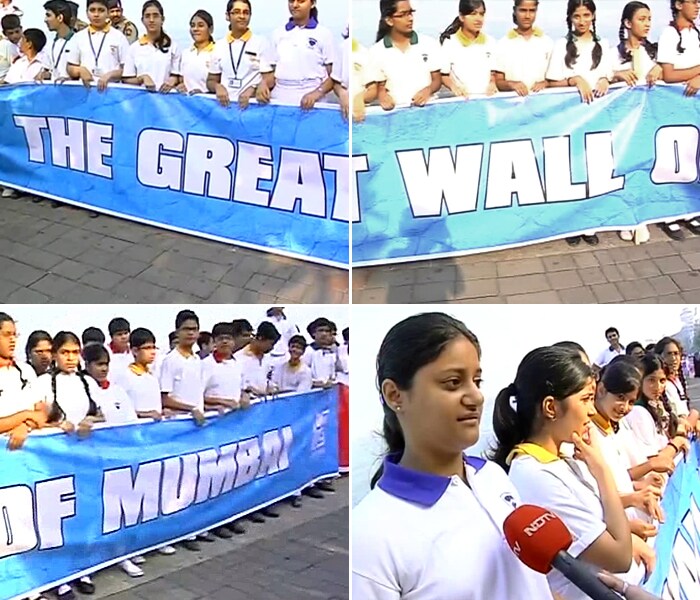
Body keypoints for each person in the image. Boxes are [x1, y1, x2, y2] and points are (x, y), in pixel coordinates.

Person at [353, 313, 554, 599]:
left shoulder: (493, 477)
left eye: (477, 380)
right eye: (452, 382)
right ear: (395, 395)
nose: (475, 396)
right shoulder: (371, 534)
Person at [491, 345, 636, 600]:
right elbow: (620, 556)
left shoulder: (563, 458)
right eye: (585, 399)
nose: (592, 410)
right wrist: (601, 470)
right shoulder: (536, 477)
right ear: (550, 407)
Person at [34, 331, 102, 599]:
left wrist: (90, 421)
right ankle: (59, 576)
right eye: (65, 352)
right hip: (53, 461)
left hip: (85, 458)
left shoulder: (87, 382)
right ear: (55, 354)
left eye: (75, 353)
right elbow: (33, 419)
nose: (71, 358)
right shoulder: (42, 384)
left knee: (83, 513)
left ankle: (81, 569)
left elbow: (102, 413)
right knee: (56, 518)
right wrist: (56, 424)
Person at [546, 0, 613, 247]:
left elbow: (608, 74)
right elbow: (552, 82)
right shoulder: (561, 45)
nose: (582, 20)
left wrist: (606, 79)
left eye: (586, 15)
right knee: (570, 171)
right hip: (570, 120)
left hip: (598, 118)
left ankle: (590, 222)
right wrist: (574, 79)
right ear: (570, 18)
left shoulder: (603, 45)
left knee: (594, 170)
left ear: (593, 16)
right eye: (577, 16)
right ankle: (571, 223)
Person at [613, 1, 661, 245]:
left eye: (649, 19)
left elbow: (664, 73)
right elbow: (605, 78)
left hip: (647, 121)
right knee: (624, 168)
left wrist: (659, 70)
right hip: (622, 123)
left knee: (644, 166)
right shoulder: (614, 53)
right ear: (628, 23)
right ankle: (626, 218)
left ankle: (642, 219)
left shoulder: (653, 52)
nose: (647, 24)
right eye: (642, 19)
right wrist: (616, 75)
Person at [257, 0, 336, 109]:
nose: (295, 5)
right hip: (280, 99)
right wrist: (263, 84)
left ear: (312, 3)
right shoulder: (278, 34)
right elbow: (272, 73)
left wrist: (317, 93)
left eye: (301, 1)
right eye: (291, 1)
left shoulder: (324, 34)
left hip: (312, 102)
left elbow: (334, 75)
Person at [368, 0, 442, 110]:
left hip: (428, 113)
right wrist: (383, 96)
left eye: (410, 13)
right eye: (403, 15)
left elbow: (437, 80)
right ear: (389, 20)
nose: (410, 19)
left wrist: (428, 90)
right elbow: (380, 87)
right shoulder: (376, 52)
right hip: (397, 117)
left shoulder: (428, 43)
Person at [0, 313, 46, 451]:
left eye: (15, 335)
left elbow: (42, 414)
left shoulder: (26, 370)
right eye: (7, 335)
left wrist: (25, 426)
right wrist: (25, 415)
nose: (13, 340)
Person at [207, 0, 265, 109]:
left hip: (252, 107)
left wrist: (254, 89)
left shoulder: (261, 43)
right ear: (227, 16)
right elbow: (211, 80)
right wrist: (217, 87)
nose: (242, 16)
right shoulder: (219, 45)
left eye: (246, 12)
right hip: (225, 109)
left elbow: (270, 80)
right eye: (237, 12)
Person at [66, 0, 130, 92]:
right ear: (86, 13)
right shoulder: (78, 37)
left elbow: (128, 69)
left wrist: (110, 75)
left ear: (108, 13)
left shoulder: (119, 37)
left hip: (112, 92)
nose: (96, 14)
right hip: (85, 91)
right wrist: (80, 70)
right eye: (92, 10)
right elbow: (70, 67)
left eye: (101, 10)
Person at [440, 0, 498, 98]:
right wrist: (454, 87)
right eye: (473, 14)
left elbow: (493, 73)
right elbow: (443, 75)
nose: (478, 19)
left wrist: (492, 83)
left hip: (486, 102)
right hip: (462, 102)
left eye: (481, 14)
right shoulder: (450, 43)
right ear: (462, 17)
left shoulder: (490, 42)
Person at [494, 0, 552, 96]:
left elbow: (553, 79)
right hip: (514, 106)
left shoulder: (547, 42)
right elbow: (498, 81)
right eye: (523, 10)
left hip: (542, 105)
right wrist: (511, 84)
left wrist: (545, 83)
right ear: (514, 11)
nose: (527, 16)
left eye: (532, 11)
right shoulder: (503, 44)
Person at [122, 0, 180, 93]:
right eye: (147, 16)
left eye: (155, 15)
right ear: (142, 20)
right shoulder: (134, 48)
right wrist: (142, 78)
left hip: (167, 101)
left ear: (162, 19)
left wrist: (172, 81)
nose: (151, 20)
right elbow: (126, 79)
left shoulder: (173, 47)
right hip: (142, 101)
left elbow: (177, 75)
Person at [236, 321, 280, 397]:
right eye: (271, 344)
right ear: (260, 338)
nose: (272, 348)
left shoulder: (268, 359)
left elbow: (268, 381)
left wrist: (272, 388)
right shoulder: (239, 358)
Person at [178, 9, 215, 95]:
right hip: (188, 105)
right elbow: (181, 80)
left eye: (200, 25)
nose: (195, 29)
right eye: (192, 25)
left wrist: (203, 94)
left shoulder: (217, 52)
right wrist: (180, 86)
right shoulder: (185, 53)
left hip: (209, 104)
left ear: (211, 29)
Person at [43, 0, 75, 82]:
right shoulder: (50, 42)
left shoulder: (78, 41)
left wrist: (70, 79)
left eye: (48, 16)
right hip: (54, 90)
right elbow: (48, 68)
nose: (45, 20)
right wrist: (43, 74)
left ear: (60, 18)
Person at [0, 13, 20, 81]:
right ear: (4, 33)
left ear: (21, 29)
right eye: (10, 33)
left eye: (17, 32)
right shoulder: (7, 45)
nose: (15, 36)